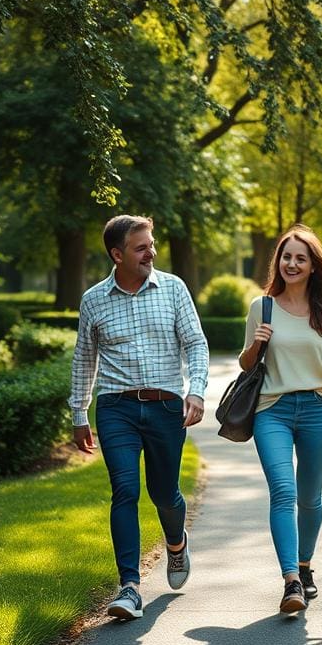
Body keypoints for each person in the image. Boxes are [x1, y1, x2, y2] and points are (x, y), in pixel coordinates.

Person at [69, 214, 209, 620]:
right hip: (117, 408)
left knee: (165, 493)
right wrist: (80, 412)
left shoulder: (173, 289)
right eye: (141, 247)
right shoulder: (94, 299)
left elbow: (196, 344)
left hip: (166, 406)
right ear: (117, 255)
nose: (151, 252)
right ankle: (129, 586)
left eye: (151, 245)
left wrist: (196, 390)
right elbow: (84, 359)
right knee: (125, 489)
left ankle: (176, 544)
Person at [239, 224, 322, 614]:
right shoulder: (260, 307)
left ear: (314, 265)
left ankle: (305, 564)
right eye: (286, 256)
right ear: (277, 261)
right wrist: (257, 344)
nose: (292, 263)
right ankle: (291, 581)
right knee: (283, 491)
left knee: (309, 499)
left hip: (318, 410)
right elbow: (246, 364)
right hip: (272, 411)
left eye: (300, 258)